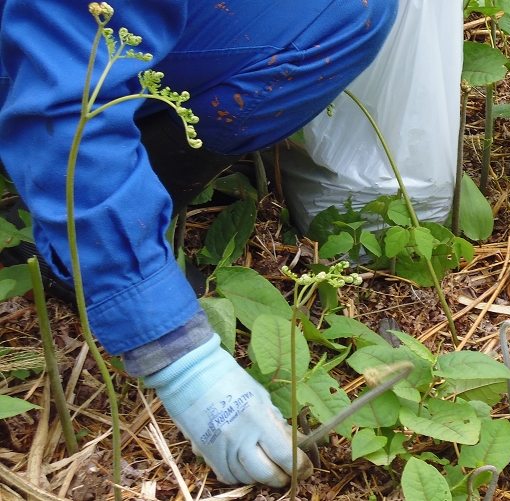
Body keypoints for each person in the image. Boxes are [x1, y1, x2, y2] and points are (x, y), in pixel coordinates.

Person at [0, 0, 397, 488]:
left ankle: (127, 184)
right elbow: (63, 81)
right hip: (42, 41)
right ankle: (79, 240)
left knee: (353, 10)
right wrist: (180, 358)